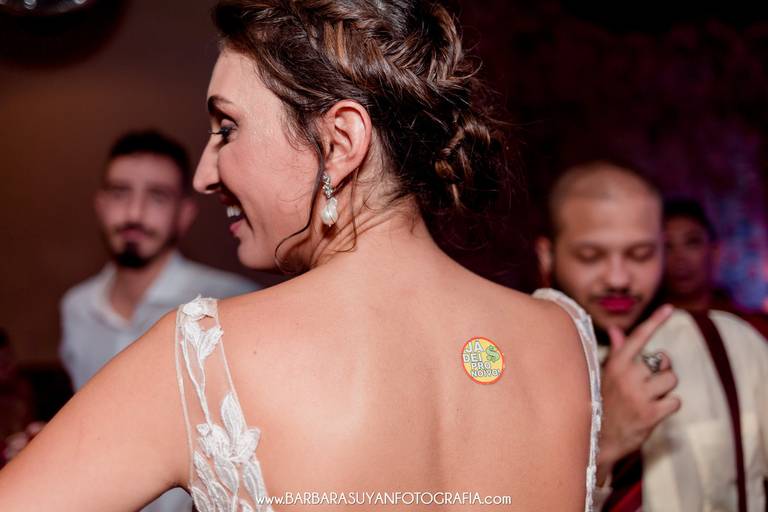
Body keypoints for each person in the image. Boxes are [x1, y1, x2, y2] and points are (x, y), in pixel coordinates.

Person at [0, 1, 600, 510]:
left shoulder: (204, 356)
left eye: (227, 128)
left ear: (340, 142)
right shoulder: (563, 336)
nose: (206, 175)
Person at [536, 161, 768, 511]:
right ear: (547, 255)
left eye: (640, 254)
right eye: (590, 256)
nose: (618, 279)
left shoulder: (729, 342)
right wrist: (605, 445)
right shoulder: (520, 365)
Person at [59, 130, 258, 512]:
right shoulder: (75, 308)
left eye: (157, 197)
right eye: (120, 193)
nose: (134, 213)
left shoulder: (232, 303)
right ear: (100, 204)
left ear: (184, 215)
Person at [663, 198, 768, 338]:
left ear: (715, 252)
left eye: (692, 242)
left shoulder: (753, 327)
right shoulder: (645, 329)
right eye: (667, 246)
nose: (679, 258)